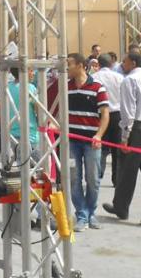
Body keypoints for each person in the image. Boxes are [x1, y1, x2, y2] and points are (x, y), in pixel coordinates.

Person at [48, 53, 109, 232]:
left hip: (91, 142)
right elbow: (59, 112)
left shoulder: (97, 87)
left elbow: (105, 115)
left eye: (70, 64)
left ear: (81, 65)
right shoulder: (65, 88)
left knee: (93, 179)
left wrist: (99, 135)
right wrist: (53, 125)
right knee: (73, 179)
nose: (66, 67)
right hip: (71, 142)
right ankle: (82, 214)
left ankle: (91, 213)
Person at [103, 51, 141, 221]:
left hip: (136, 129)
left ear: (133, 63)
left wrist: (125, 137)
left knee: (126, 171)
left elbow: (128, 111)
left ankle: (121, 207)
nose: (122, 64)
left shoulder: (130, 80)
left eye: (124, 61)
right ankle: (120, 206)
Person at [95, 53, 123, 185]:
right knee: (116, 148)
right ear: (111, 63)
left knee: (99, 146)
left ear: (98, 64)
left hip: (100, 114)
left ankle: (98, 173)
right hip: (116, 114)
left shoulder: (94, 78)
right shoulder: (119, 77)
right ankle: (116, 178)